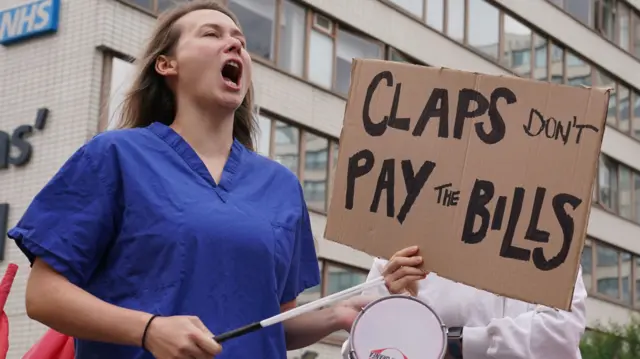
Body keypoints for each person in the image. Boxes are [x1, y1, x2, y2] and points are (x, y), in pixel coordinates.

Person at [7, 1, 423, 359]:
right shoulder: (114, 156)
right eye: (211, 33)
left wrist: (343, 312)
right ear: (166, 64)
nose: (235, 43)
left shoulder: (280, 185)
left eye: (239, 38)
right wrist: (149, 329)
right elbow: (44, 295)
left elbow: (275, 321)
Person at [341, 252, 588, 359]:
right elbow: (357, 349)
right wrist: (407, 311)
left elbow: (557, 338)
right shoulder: (402, 256)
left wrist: (451, 343)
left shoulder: (553, 249)